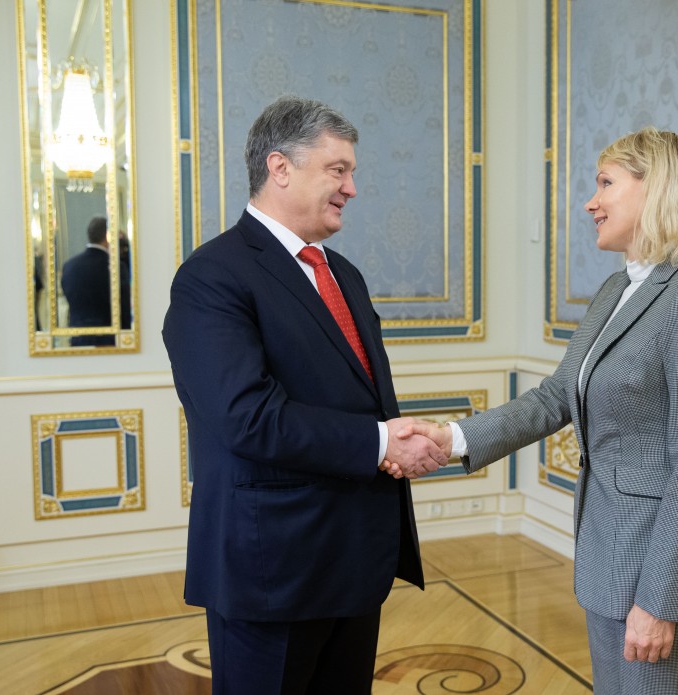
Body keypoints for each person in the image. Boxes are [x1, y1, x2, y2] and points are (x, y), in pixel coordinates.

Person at [390, 127, 678, 694]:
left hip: (660, 570)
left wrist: (660, 599)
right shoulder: (615, 289)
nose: (591, 201)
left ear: (656, 190)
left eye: (606, 183)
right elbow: (556, 396)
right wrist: (451, 437)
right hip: (608, 555)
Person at [162, 97, 446, 694]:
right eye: (338, 170)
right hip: (274, 572)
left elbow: (359, 398)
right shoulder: (211, 276)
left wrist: (390, 441)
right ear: (280, 167)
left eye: (352, 172)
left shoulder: (343, 272)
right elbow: (248, 418)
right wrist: (380, 441)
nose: (352, 187)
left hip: (354, 558)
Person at [60, 215, 131, 346]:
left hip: (78, 339)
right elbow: (124, 308)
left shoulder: (69, 265)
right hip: (110, 340)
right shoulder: (116, 267)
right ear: (108, 236)